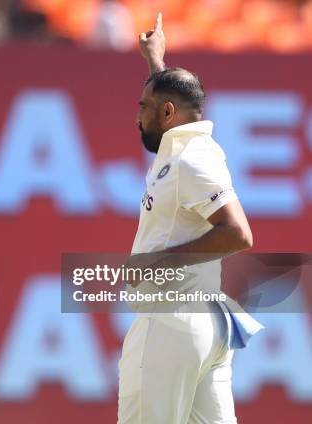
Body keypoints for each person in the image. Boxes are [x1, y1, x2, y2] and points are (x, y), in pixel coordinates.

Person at [117, 13, 263, 424]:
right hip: (204, 323)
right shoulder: (190, 144)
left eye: (143, 107)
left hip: (171, 320)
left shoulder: (188, 160)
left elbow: (237, 233)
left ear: (166, 112)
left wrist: (159, 261)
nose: (137, 117)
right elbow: (170, 102)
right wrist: (155, 62)